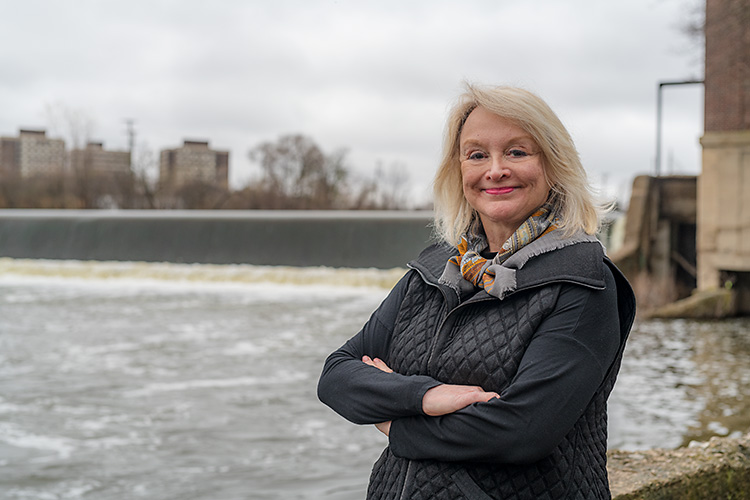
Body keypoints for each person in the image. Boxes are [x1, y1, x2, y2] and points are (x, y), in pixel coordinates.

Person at [317, 83, 636, 499]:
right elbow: (337, 375)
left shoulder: (583, 281)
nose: (495, 170)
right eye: (477, 154)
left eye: (517, 152)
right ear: (459, 169)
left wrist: (395, 422)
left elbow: (522, 432)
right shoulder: (434, 271)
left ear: (554, 165)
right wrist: (427, 396)